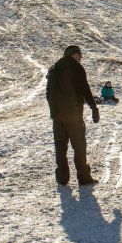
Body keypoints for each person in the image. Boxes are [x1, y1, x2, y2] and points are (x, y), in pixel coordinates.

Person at [45, 45, 100, 186]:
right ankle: (83, 177)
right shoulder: (76, 68)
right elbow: (85, 89)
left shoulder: (53, 69)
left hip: (57, 115)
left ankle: (62, 177)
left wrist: (54, 109)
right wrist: (94, 107)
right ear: (75, 54)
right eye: (80, 56)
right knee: (79, 145)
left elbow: (48, 93)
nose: (80, 59)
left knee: (60, 146)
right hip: (73, 113)